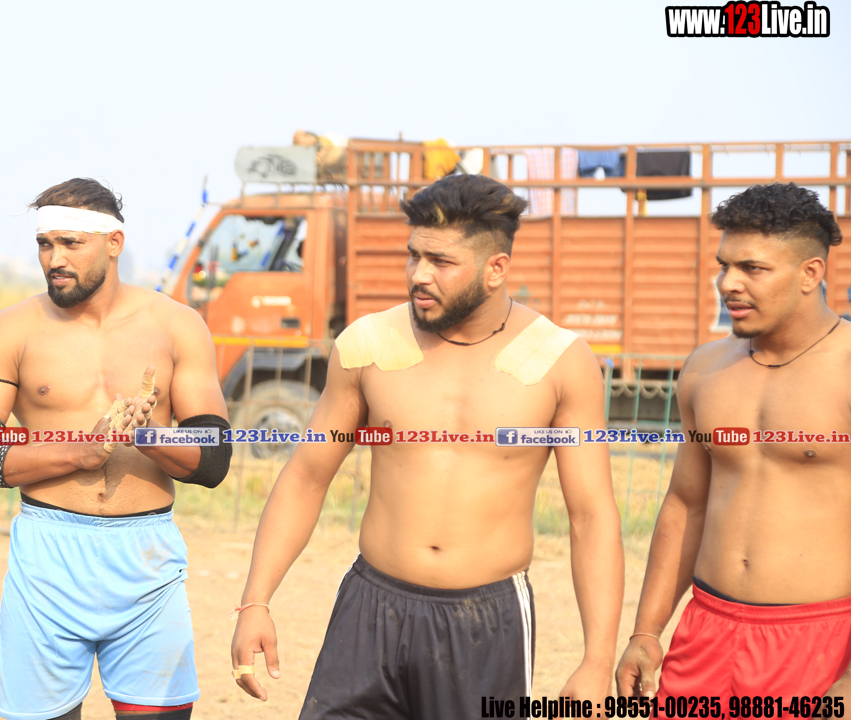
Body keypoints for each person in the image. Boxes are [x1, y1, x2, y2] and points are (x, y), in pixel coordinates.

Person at [230, 174, 624, 719]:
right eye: (413, 255)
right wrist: (255, 600)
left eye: (440, 261)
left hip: (486, 622)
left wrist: (597, 660)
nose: (419, 274)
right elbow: (306, 477)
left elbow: (591, 515)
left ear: (496, 269)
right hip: (370, 609)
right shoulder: (368, 345)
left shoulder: (557, 359)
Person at [0, 178, 232, 720]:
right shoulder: (10, 330)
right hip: (48, 555)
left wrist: (143, 436)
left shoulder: (177, 326)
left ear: (114, 243)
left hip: (146, 557)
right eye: (45, 244)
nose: (54, 259)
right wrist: (79, 452)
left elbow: (214, 456)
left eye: (70, 244)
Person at [615, 183, 850, 704]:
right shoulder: (705, 368)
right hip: (706, 629)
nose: (728, 283)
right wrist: (646, 631)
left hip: (819, 642)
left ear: (811, 273)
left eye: (753, 268)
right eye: (724, 265)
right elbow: (685, 504)